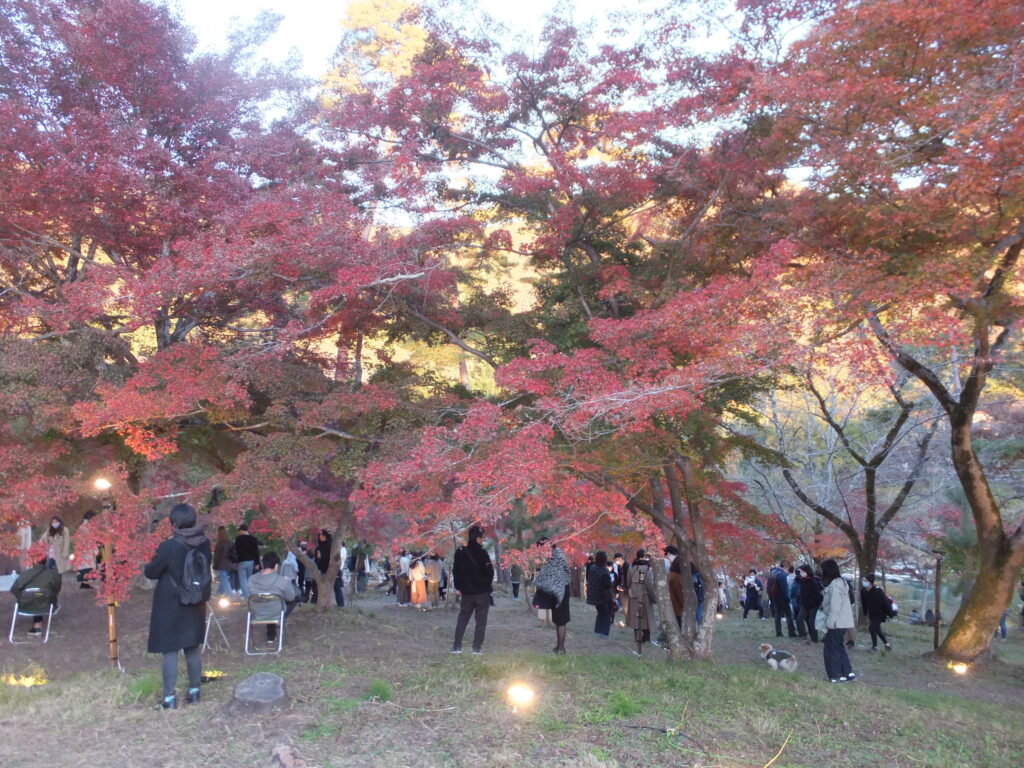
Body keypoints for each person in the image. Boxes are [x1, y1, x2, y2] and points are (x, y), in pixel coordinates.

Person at [144, 503, 211, 709]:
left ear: (174, 522)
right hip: (195, 600)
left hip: (171, 602)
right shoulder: (204, 543)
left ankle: (169, 698)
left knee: (170, 650)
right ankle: (194, 692)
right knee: (192, 648)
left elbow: (151, 572)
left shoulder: (170, 546)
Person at [450, 525, 493, 654]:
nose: (483, 540)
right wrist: (485, 585)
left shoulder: (460, 551)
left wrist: (458, 587)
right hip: (482, 592)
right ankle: (477, 647)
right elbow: (490, 572)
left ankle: (457, 646)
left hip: (467, 593)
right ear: (478, 538)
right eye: (482, 537)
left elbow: (455, 571)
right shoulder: (483, 552)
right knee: (481, 621)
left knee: (462, 619)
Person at [248, 551, 299, 643]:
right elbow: (291, 598)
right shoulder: (282, 580)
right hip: (276, 612)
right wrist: (288, 585)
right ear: (276, 565)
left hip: (257, 613)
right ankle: (278, 622)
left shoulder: (252, 579)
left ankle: (271, 635)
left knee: (267, 602)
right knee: (294, 599)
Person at [10, 545, 62, 636]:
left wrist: (21, 598)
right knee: (40, 596)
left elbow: (14, 589)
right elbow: (56, 590)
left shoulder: (25, 574)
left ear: (32, 561)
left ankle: (36, 626)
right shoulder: (53, 575)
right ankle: (37, 625)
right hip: (46, 605)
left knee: (35, 597)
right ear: (46, 560)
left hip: (25, 606)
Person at [819, 558, 856, 683]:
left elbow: (835, 607)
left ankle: (835, 675)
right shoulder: (842, 582)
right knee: (839, 647)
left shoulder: (835, 585)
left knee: (830, 649)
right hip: (845, 621)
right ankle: (847, 673)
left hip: (836, 622)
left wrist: (830, 623)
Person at [533, 537, 571, 653]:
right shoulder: (552, 556)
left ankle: (561, 649)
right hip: (556, 591)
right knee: (558, 620)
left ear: (547, 546)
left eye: (541, 548)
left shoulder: (557, 557)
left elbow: (552, 576)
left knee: (561, 620)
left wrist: (538, 580)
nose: (541, 551)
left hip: (561, 591)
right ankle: (558, 647)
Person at [626, 550, 657, 654]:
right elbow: (649, 585)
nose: (646, 559)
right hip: (645, 597)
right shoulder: (647, 569)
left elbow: (628, 583)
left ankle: (637, 638)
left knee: (635, 618)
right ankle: (646, 639)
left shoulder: (631, 568)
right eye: (645, 557)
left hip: (633, 596)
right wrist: (654, 598)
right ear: (640, 558)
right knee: (646, 619)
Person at [860, 574, 892, 651]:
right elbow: (864, 602)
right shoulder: (863, 591)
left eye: (865, 581)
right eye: (863, 581)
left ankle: (874, 647)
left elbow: (885, 602)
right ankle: (887, 645)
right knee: (877, 630)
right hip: (872, 613)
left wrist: (890, 613)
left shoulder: (878, 590)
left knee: (872, 628)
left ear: (870, 582)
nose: (863, 582)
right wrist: (865, 612)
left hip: (880, 613)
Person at [586, 550, 615, 637]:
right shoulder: (604, 570)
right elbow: (607, 584)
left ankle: (597, 632)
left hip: (595, 595)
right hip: (604, 596)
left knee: (600, 614)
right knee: (606, 615)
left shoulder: (592, 567)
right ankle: (604, 633)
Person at [769, 560, 798, 638]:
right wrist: (788, 598)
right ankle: (791, 632)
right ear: (785, 567)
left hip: (774, 596)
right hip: (782, 597)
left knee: (777, 615)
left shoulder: (773, 573)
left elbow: (768, 586)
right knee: (789, 615)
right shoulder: (782, 575)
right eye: (788, 567)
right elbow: (784, 589)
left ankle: (778, 633)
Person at [796, 564, 823, 644]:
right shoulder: (802, 580)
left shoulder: (813, 581)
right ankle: (802, 635)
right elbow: (797, 579)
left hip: (813, 605)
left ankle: (814, 639)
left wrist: (813, 602)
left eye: (802, 572)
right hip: (804, 604)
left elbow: (817, 595)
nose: (801, 573)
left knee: (812, 622)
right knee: (799, 619)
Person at [233, 523, 260, 599]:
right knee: (248, 579)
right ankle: (250, 595)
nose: (239, 532)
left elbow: (236, 551)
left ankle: (247, 596)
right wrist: (257, 563)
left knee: (242, 580)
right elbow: (256, 552)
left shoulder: (238, 539)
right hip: (251, 561)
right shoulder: (253, 539)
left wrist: (235, 561)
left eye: (240, 531)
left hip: (241, 561)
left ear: (242, 530)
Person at [212, 525, 236, 597]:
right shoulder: (230, 542)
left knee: (224, 580)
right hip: (230, 564)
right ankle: (217, 593)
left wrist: (215, 566)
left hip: (222, 564)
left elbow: (217, 556)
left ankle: (230, 595)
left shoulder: (219, 543)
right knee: (223, 580)